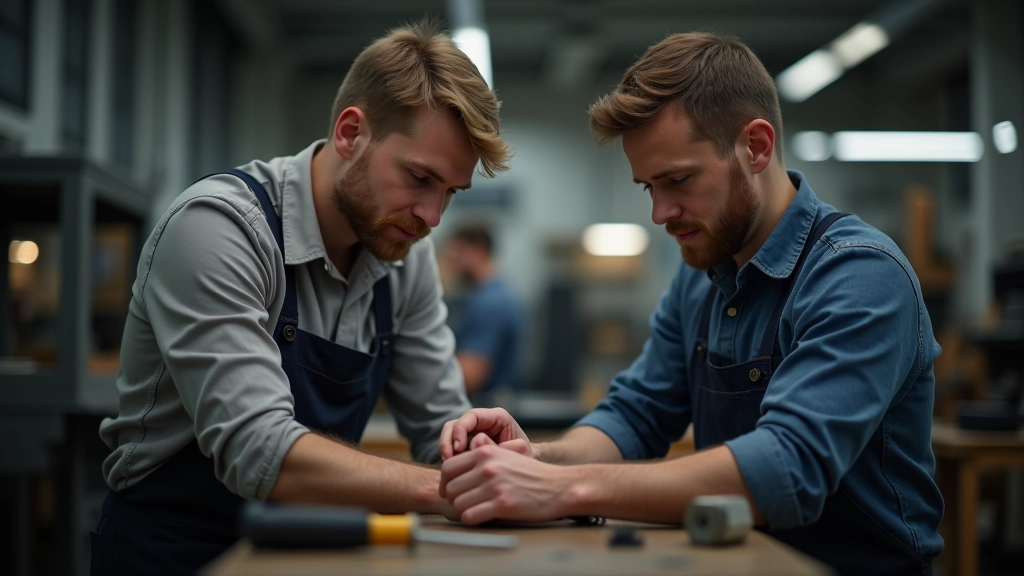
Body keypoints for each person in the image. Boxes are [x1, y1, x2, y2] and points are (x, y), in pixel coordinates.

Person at [438, 32, 943, 576]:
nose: (660, 213)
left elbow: (784, 470)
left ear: (756, 146)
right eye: (648, 187)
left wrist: (560, 487)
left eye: (678, 180)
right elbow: (637, 415)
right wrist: (537, 459)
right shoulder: (700, 276)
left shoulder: (859, 274)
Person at [91, 21, 510, 574]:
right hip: (174, 552)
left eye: (450, 194)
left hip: (303, 552)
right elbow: (259, 451)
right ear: (350, 132)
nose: (432, 218)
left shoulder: (402, 262)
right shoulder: (219, 229)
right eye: (419, 178)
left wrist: (487, 461)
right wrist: (452, 491)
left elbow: (441, 428)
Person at [444, 224, 525, 403]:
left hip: (486, 410)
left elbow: (469, 377)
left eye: (457, 254)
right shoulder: (497, 294)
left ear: (479, 250)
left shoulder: (489, 303)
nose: (452, 264)